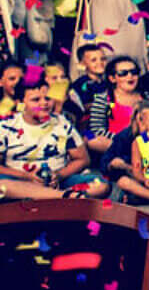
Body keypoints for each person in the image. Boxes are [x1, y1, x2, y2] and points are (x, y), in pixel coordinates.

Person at [0, 70, 108, 200]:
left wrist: (59, 175)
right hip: (19, 182)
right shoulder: (6, 126)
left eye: (47, 98)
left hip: (58, 182)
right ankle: (63, 197)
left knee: (101, 184)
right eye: (36, 100)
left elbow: (83, 159)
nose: (44, 103)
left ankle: (52, 196)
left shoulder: (62, 123)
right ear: (20, 103)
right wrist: (26, 176)